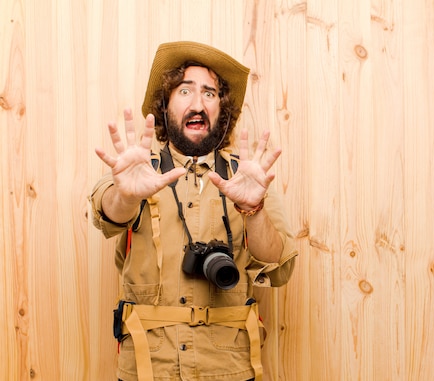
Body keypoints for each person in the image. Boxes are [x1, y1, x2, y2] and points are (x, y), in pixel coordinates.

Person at [89, 41, 298, 381]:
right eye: (184, 91)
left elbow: (279, 268)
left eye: (210, 94)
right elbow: (107, 214)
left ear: (222, 110)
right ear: (165, 105)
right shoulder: (138, 170)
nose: (198, 104)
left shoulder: (248, 177)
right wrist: (126, 195)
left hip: (228, 369)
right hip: (147, 368)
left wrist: (254, 209)